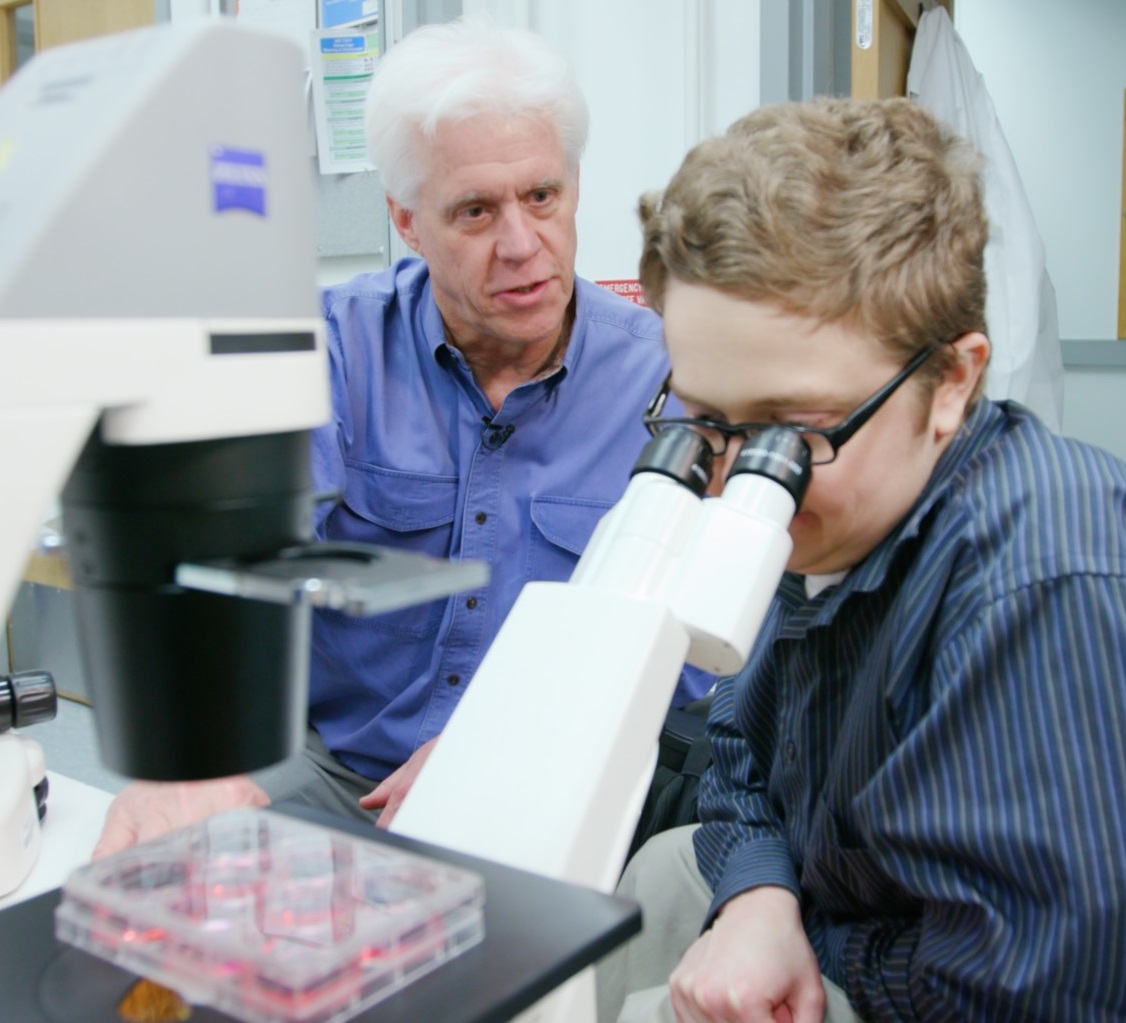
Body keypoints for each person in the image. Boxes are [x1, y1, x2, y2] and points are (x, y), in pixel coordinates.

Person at [595, 98, 1126, 1022]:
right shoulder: (840, 502)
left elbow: (1067, 998)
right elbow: (739, 745)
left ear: (951, 381)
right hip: (909, 908)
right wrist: (759, 896)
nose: (740, 477)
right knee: (657, 878)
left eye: (792, 430)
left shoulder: (1043, 587)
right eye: (708, 422)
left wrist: (803, 933)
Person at [93, 17, 709, 855]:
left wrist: (509, 742)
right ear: (408, 221)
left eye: (541, 196)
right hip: (337, 775)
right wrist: (194, 752)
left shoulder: (672, 378)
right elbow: (233, 575)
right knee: (171, 860)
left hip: (556, 774)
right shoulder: (329, 351)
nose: (523, 245)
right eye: (475, 211)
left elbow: (701, 656)